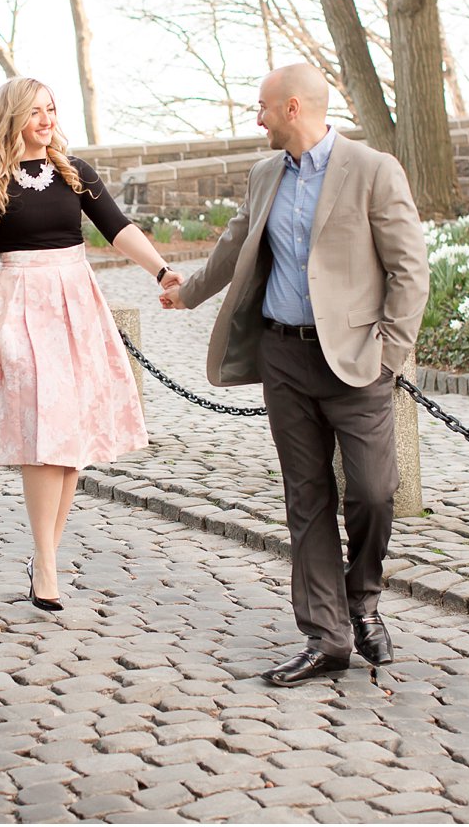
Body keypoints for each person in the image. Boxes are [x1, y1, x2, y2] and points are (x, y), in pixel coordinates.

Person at [161, 63, 429, 685]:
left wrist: (390, 355)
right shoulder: (264, 176)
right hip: (283, 358)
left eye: (260, 108)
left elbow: (410, 271)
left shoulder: (372, 170)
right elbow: (235, 243)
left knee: (373, 492)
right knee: (306, 500)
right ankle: (327, 636)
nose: (254, 119)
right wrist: (188, 293)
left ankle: (362, 599)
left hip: (357, 362)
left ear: (291, 108)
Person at [0, 77, 175, 611]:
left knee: (69, 440)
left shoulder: (76, 174)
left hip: (76, 306)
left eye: (51, 109)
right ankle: (49, 565)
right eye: (34, 111)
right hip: (19, 308)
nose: (46, 118)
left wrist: (162, 271)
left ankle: (43, 558)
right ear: (12, 118)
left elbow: (118, 229)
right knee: (42, 431)